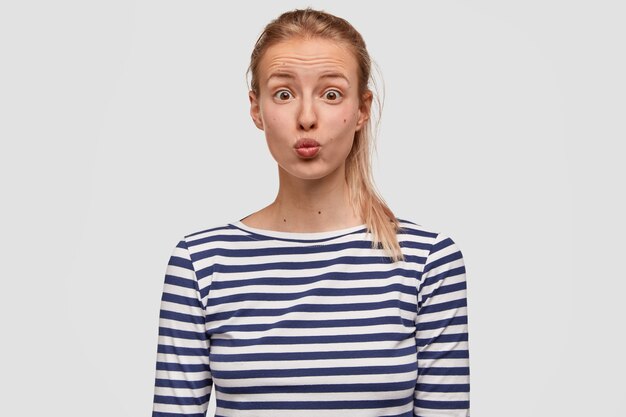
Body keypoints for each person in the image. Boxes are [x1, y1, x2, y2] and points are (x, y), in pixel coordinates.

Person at [151, 7, 470, 417]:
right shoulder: (201, 263)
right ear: (256, 109)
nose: (306, 118)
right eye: (284, 94)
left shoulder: (428, 261)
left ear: (361, 109)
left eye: (331, 94)